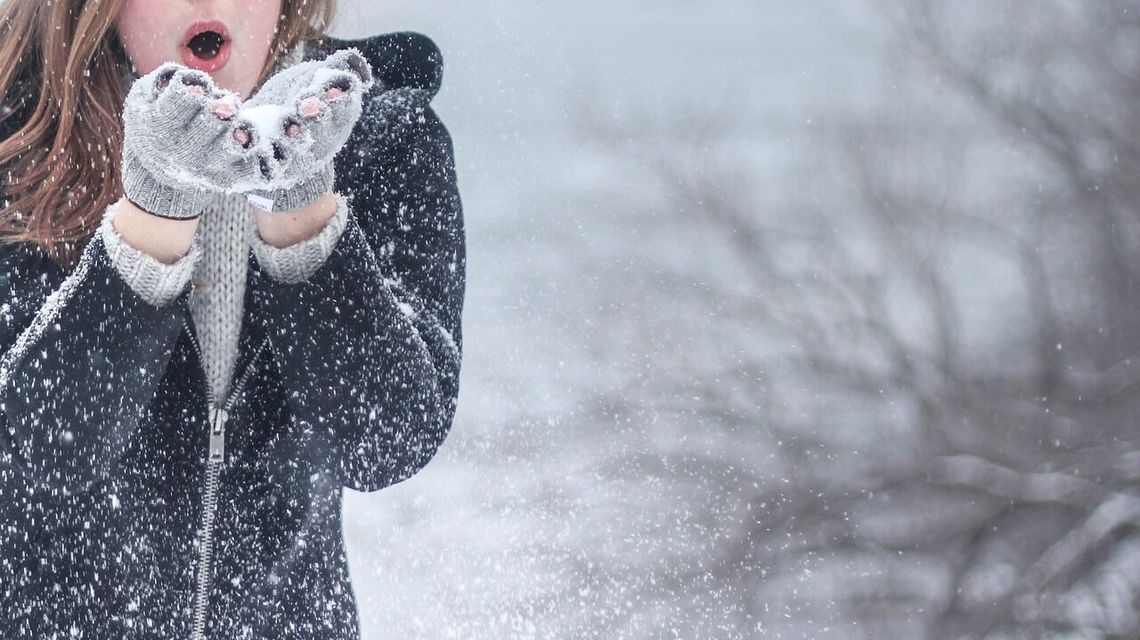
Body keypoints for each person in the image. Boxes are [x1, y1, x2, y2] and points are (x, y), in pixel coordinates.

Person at [0, 0, 465, 637]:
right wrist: (154, 217)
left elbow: (387, 442)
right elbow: (27, 457)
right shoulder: (16, 143)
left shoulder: (382, 139)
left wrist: (302, 216)